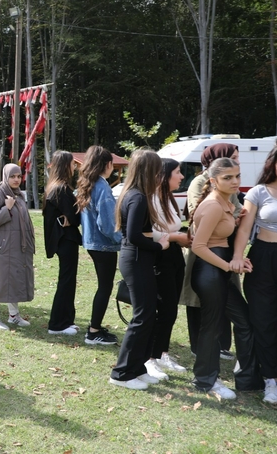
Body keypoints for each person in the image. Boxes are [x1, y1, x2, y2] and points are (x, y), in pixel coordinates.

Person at [189, 157, 260, 399]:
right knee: (212, 327)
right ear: (213, 180)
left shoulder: (225, 202)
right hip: (210, 271)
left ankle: (248, 377)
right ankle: (205, 381)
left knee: (244, 321)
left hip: (218, 270)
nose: (235, 181)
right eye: (228, 177)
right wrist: (229, 266)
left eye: (237, 176)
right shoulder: (213, 205)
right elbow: (198, 246)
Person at [232, 141, 277, 404]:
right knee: (263, 320)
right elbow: (244, 229)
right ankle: (269, 379)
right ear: (273, 164)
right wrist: (237, 256)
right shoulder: (258, 191)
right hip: (262, 259)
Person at [109, 149, 170, 390]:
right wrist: (159, 245)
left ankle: (137, 367)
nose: (160, 176)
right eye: (158, 171)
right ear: (150, 171)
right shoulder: (138, 197)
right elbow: (133, 236)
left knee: (148, 314)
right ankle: (121, 373)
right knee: (142, 316)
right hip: (135, 258)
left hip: (136, 258)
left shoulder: (134, 194)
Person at [182, 143, 240, 360]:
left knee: (223, 301)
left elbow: (239, 210)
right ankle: (200, 349)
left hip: (224, 249)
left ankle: (221, 346)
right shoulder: (200, 183)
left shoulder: (229, 184)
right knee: (200, 303)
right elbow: (198, 214)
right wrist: (232, 217)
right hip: (207, 252)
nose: (237, 161)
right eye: (233, 157)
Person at [145, 158, 191, 379]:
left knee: (171, 308)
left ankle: (162, 352)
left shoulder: (169, 198)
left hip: (174, 255)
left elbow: (173, 226)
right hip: (159, 256)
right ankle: (149, 358)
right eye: (178, 172)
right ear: (164, 175)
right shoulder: (149, 199)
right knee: (162, 309)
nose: (181, 176)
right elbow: (146, 233)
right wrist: (175, 236)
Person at [75, 147, 121, 342]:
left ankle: (95, 328)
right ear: (107, 165)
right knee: (104, 287)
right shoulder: (102, 187)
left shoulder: (88, 184)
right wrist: (121, 239)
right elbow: (108, 224)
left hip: (93, 243)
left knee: (104, 286)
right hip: (104, 245)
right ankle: (93, 332)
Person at [0, 164, 34, 330]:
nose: (16, 179)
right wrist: (7, 208)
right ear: (5, 176)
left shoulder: (19, 196)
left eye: (19, 176)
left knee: (15, 279)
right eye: (12, 176)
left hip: (18, 247)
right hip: (2, 248)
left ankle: (14, 315)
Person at [43, 151, 85, 338]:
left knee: (68, 281)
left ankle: (66, 320)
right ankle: (57, 323)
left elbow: (71, 217)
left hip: (63, 240)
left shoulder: (55, 187)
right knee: (66, 281)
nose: (75, 167)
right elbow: (75, 218)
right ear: (64, 165)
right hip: (65, 240)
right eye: (72, 164)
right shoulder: (61, 189)